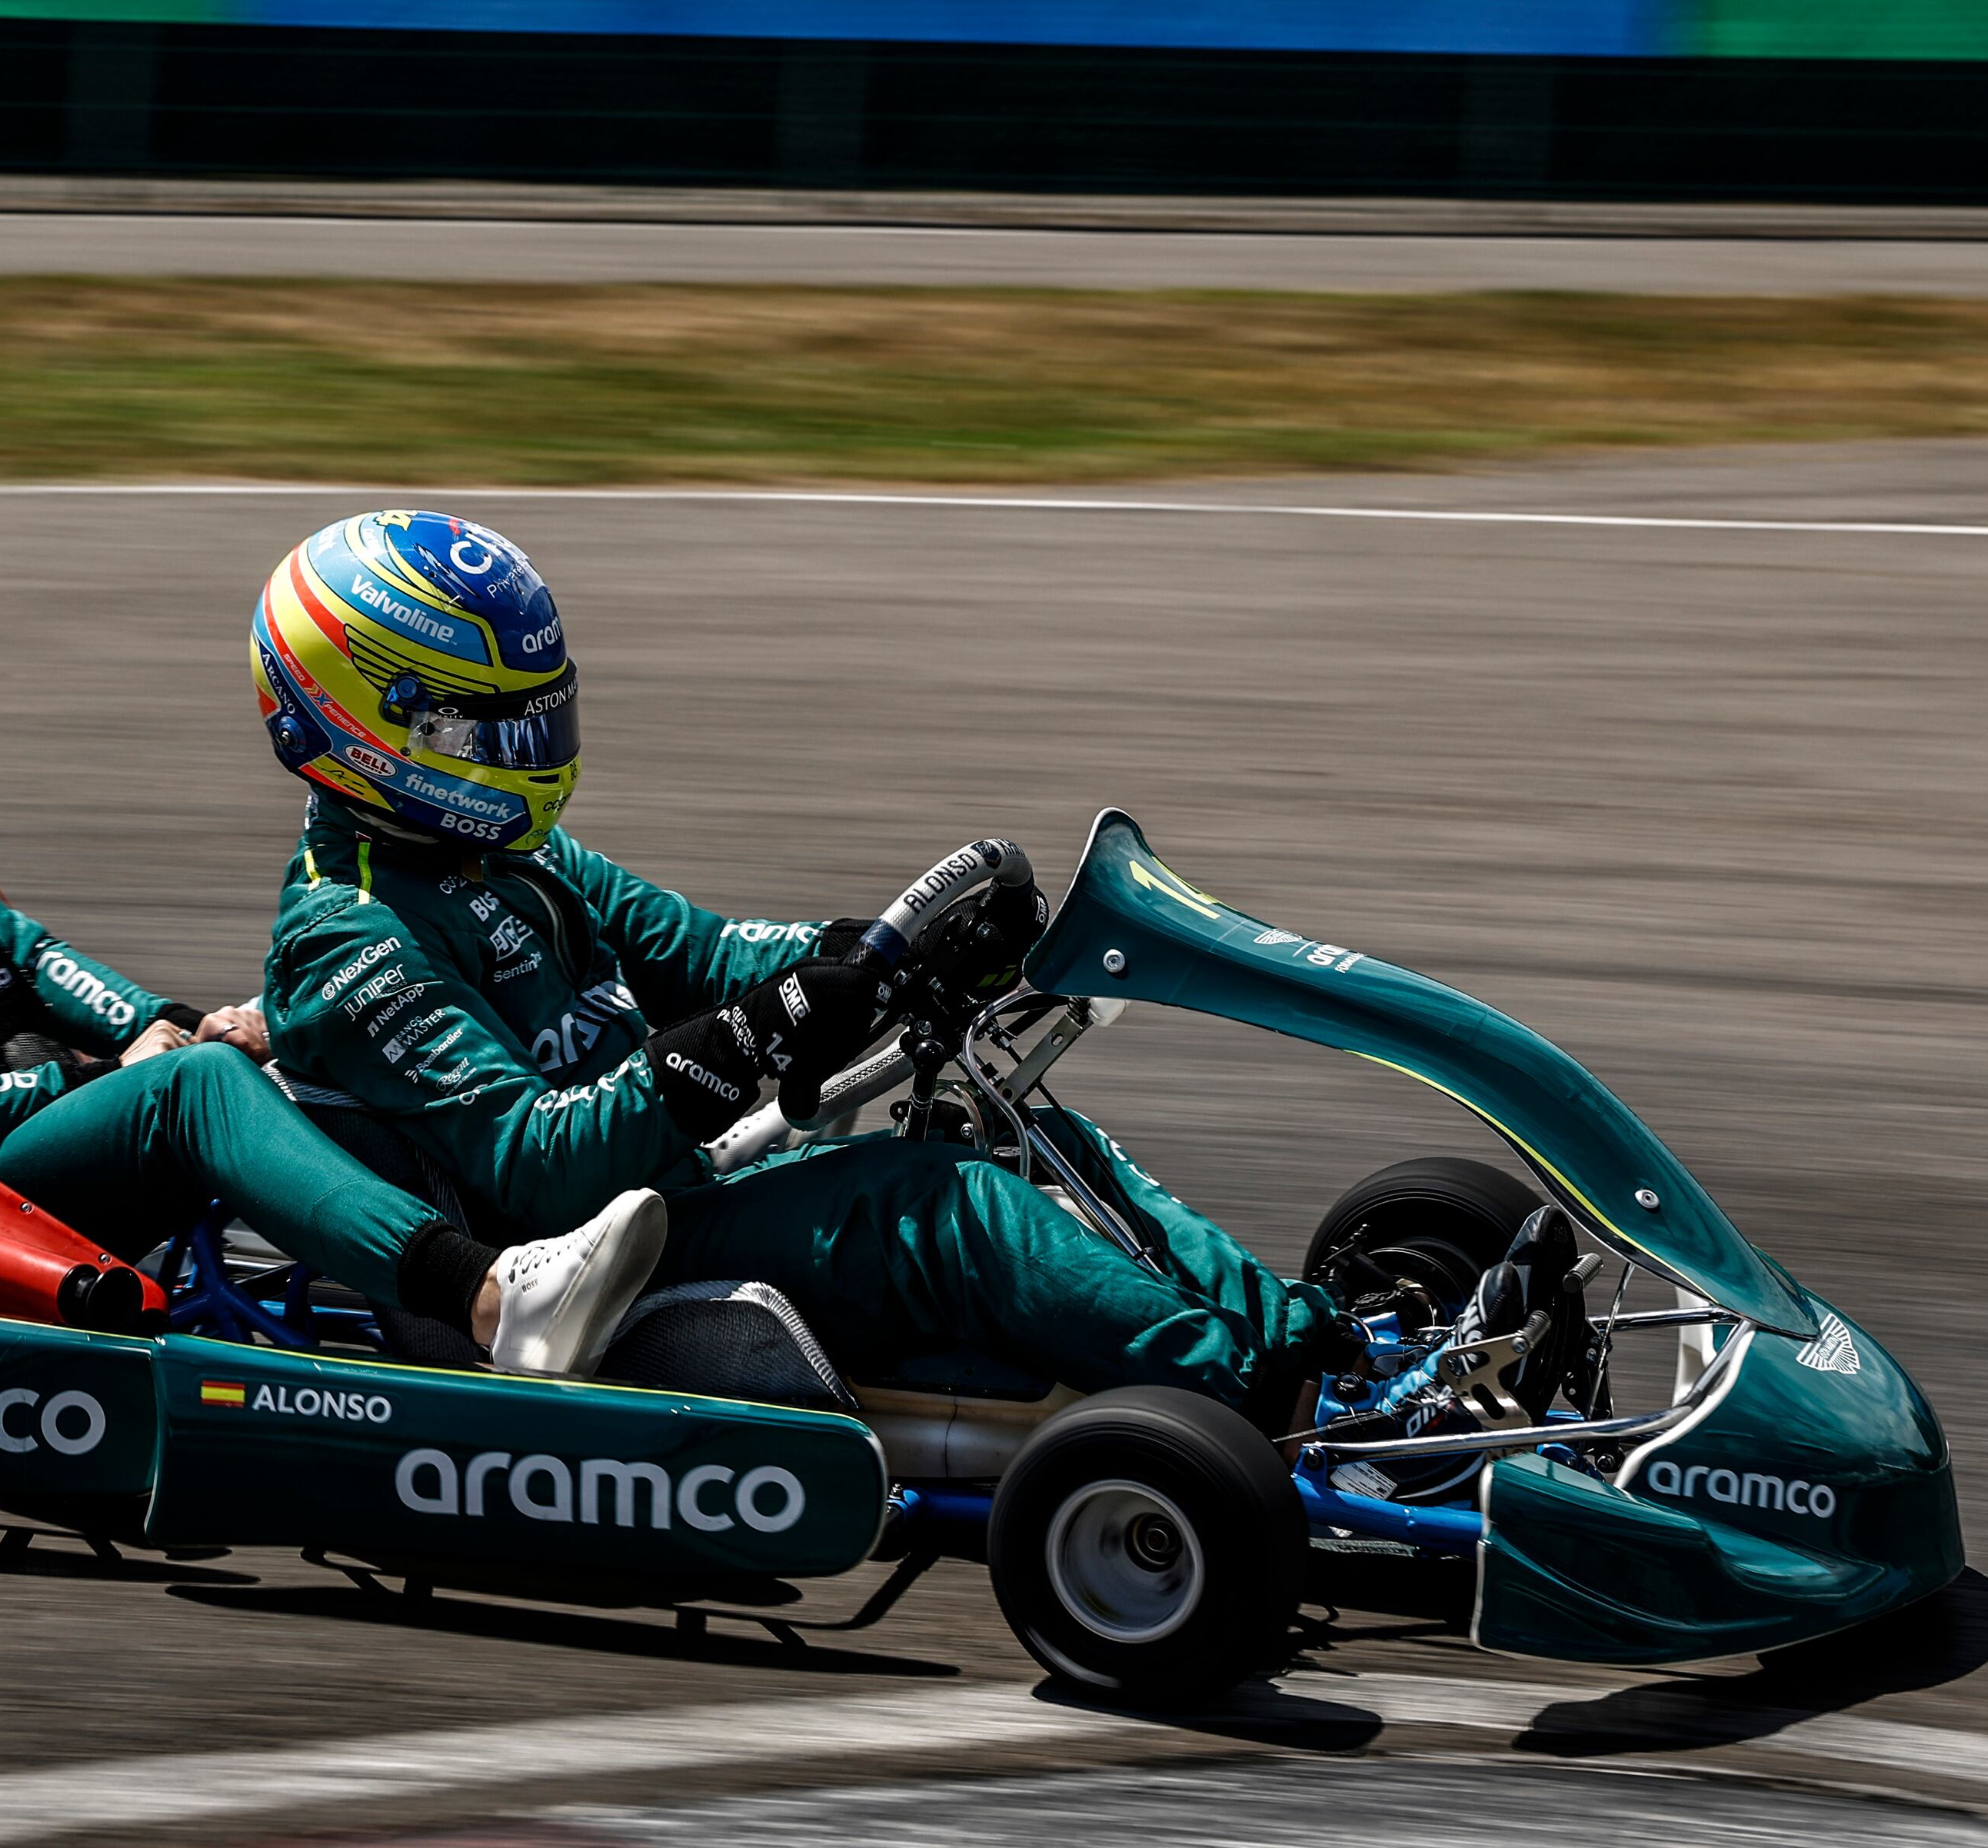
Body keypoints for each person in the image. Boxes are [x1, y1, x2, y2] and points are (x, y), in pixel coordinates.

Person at [246, 508, 1354, 1413]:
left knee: (1026, 1135)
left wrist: (870, 957)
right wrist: (756, 1032)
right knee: (945, 1207)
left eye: (539, 723)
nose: (528, 761)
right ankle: (1260, 1403)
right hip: (581, 1259)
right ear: (365, 724)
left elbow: (705, 953)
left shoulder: (505, 851)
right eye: (490, 735)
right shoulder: (350, 936)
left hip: (686, 1178)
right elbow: (533, 1165)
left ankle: (1310, 1341)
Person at [0, 528, 664, 1374]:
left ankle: (549, 1215)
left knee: (250, 1052)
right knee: (194, 1091)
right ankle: (492, 1295)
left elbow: (28, 953)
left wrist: (171, 1016)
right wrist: (112, 1073)